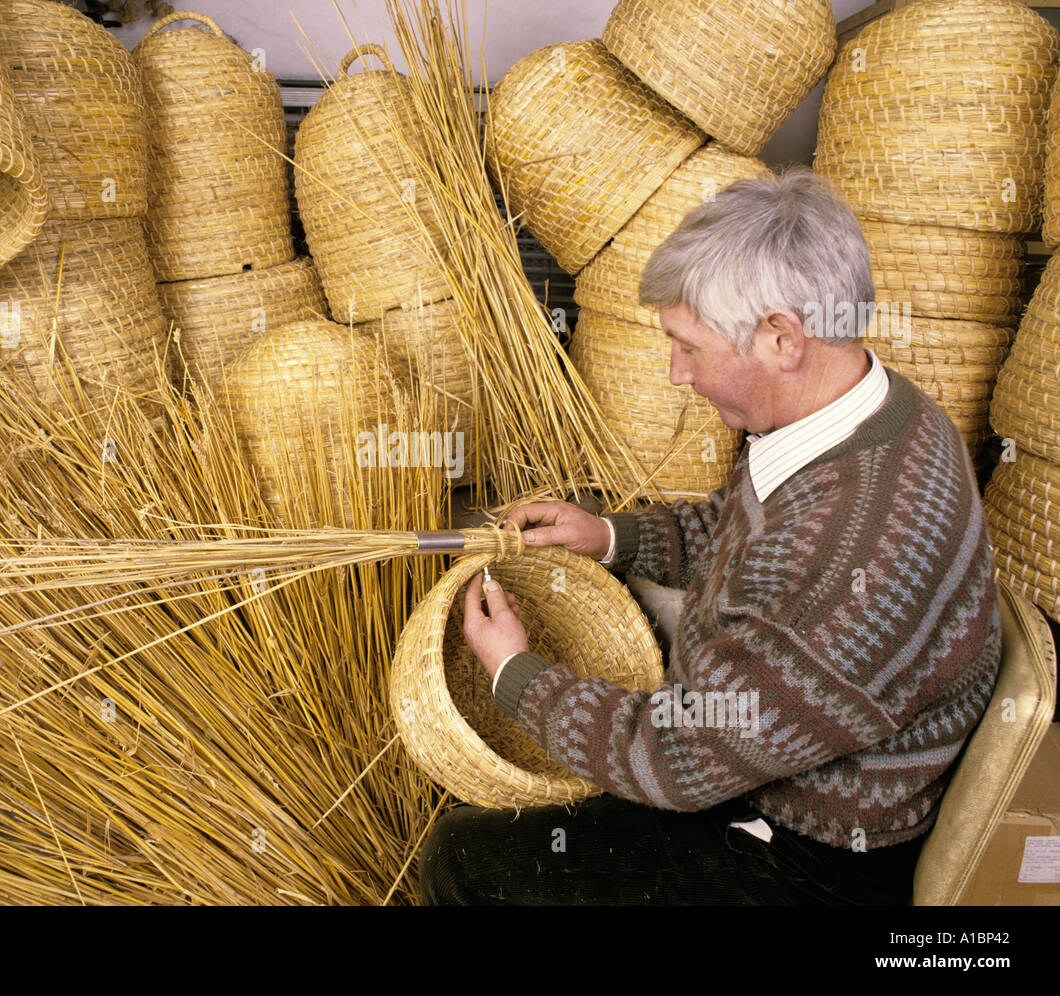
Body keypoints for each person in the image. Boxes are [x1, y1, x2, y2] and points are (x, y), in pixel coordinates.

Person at [419, 169, 1002, 906]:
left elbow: (680, 762)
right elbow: (743, 531)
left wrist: (516, 675)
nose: (675, 373)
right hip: (759, 744)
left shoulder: (854, 559)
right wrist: (608, 537)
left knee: (465, 861)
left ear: (781, 336)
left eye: (688, 347)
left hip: (801, 851)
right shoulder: (863, 414)